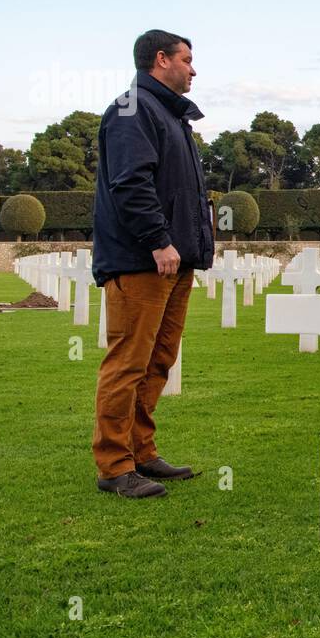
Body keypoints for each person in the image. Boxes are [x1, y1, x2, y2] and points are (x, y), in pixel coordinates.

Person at [92, 29, 214, 499]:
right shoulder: (133, 109)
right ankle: (114, 465)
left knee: (158, 360)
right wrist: (159, 241)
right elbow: (130, 182)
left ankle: (141, 451)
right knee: (128, 362)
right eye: (187, 59)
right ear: (161, 59)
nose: (194, 68)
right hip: (143, 259)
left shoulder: (170, 115)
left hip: (173, 262)